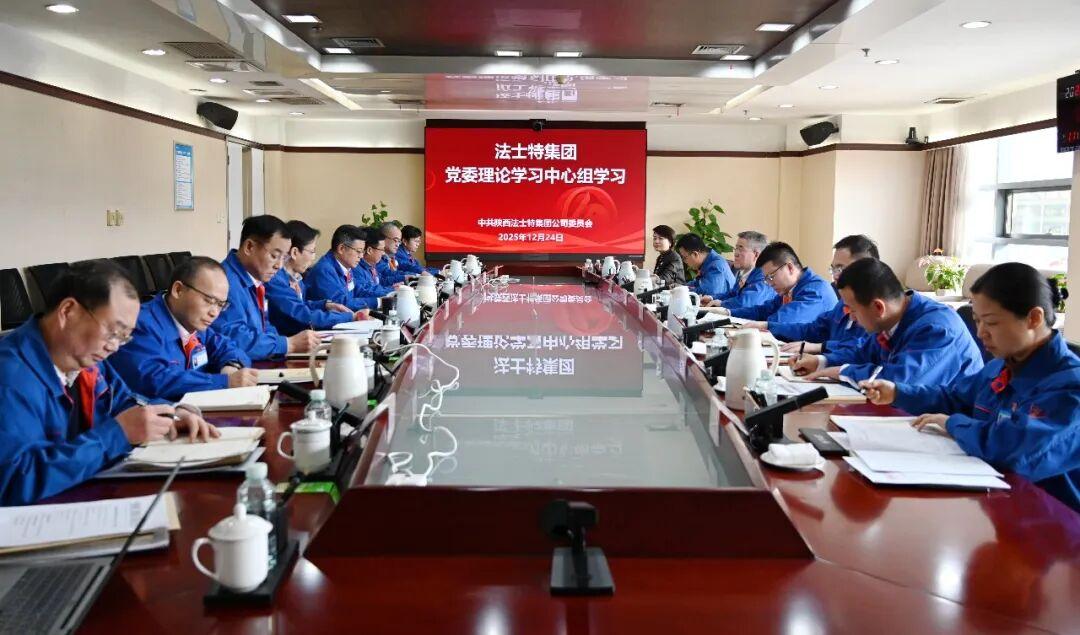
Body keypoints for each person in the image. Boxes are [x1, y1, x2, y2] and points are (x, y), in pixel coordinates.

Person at [861, 263, 1079, 511]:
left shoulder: (1070, 387)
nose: (981, 333)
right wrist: (898, 392)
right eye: (977, 320)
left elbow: (1014, 449)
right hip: (996, 504)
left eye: (991, 323)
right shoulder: (1000, 366)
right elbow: (955, 398)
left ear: (1034, 318)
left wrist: (952, 424)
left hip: (1053, 519)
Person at [0, 260, 217, 505]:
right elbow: (12, 480)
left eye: (124, 338)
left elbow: (124, 402)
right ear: (68, 311)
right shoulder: (11, 376)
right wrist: (117, 435)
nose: (114, 347)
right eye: (113, 332)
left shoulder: (86, 360)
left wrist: (170, 415)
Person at [794, 257, 983, 385]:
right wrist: (822, 362)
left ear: (878, 307)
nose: (849, 317)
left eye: (852, 310)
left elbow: (898, 382)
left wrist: (842, 371)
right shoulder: (892, 319)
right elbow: (863, 354)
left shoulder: (936, 329)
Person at [111, 257, 257, 401]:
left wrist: (231, 366)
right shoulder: (140, 324)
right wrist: (224, 382)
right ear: (178, 290)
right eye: (208, 300)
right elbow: (154, 380)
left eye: (220, 304)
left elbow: (227, 347)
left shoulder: (195, 324)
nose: (214, 313)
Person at [212, 215, 322, 361]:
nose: (279, 266)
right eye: (274, 256)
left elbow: (265, 326)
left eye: (284, 258)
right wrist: (288, 344)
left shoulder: (255, 279)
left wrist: (280, 344)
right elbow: (233, 337)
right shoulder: (223, 282)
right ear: (249, 247)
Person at [745, 235, 875, 356]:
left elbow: (862, 350)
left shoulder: (816, 291)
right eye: (833, 269)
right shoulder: (843, 303)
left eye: (840, 269)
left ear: (866, 267)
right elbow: (814, 329)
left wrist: (820, 350)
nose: (835, 276)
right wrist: (768, 326)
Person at [266, 220, 363, 335]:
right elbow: (301, 313)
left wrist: (325, 305)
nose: (313, 258)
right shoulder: (275, 279)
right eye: (312, 251)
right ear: (294, 252)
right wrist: (350, 317)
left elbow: (301, 305)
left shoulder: (296, 278)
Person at [716, 242, 837, 324]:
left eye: (771, 276)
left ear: (789, 267)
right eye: (766, 279)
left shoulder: (814, 291)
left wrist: (756, 325)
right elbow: (762, 311)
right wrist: (727, 312)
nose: (769, 283)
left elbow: (783, 321)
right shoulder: (789, 289)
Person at [305, 224, 381, 311]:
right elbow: (340, 303)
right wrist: (377, 302)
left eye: (362, 251)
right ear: (341, 248)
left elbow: (357, 291)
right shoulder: (324, 271)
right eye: (358, 251)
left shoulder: (345, 265)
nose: (361, 256)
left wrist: (386, 296)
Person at [707, 230, 775, 310]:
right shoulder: (745, 273)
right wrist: (711, 298)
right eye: (736, 248)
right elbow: (732, 294)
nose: (736, 254)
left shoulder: (764, 275)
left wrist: (721, 304)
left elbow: (747, 303)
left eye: (741, 249)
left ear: (756, 254)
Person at [674, 233, 735, 298]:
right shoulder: (707, 262)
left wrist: (682, 290)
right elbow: (697, 283)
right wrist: (682, 287)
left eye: (684, 257)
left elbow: (708, 293)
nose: (684, 261)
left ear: (695, 254)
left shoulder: (715, 266)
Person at [355, 228, 399, 299]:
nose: (383, 253)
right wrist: (391, 290)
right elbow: (365, 292)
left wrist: (393, 287)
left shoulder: (371, 265)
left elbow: (379, 281)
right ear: (369, 250)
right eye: (381, 249)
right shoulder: (356, 269)